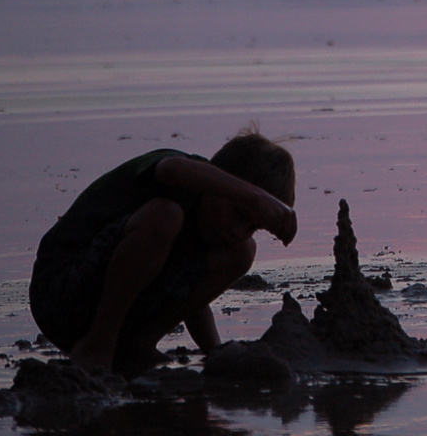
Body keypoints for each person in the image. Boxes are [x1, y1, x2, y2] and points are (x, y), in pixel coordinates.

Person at [28, 126, 298, 374]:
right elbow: (170, 169)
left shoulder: (214, 231)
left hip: (113, 316)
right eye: (239, 215)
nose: (238, 231)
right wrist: (255, 197)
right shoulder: (182, 173)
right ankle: (98, 344)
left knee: (242, 251)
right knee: (165, 216)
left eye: (252, 226)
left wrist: (214, 352)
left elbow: (192, 296)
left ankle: (137, 345)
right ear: (224, 182)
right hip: (59, 294)